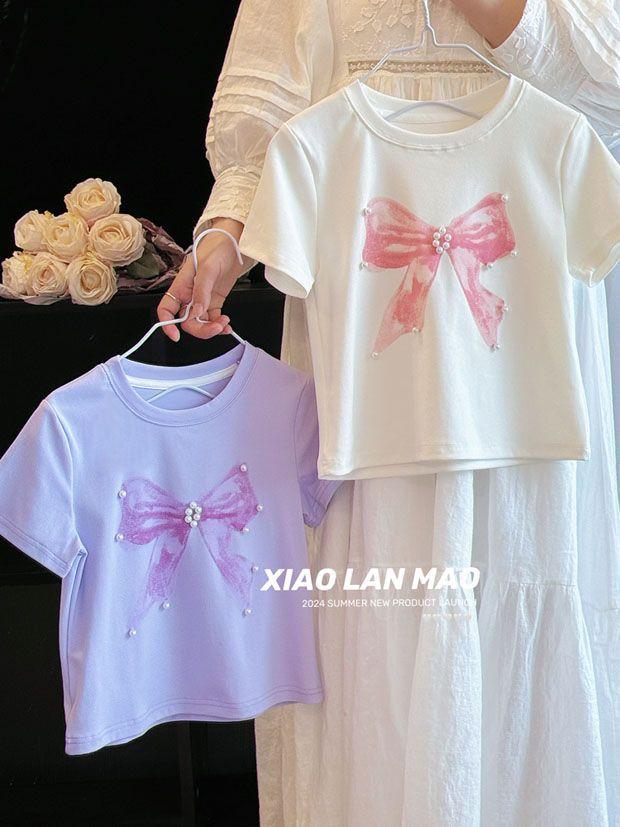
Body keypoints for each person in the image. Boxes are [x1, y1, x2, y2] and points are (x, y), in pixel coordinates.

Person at [160, 2, 620, 824]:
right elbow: (261, 121)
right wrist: (226, 230)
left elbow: (606, 87)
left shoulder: (555, 140)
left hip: (522, 328)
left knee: (521, 582)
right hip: (359, 315)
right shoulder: (320, 145)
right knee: (366, 604)